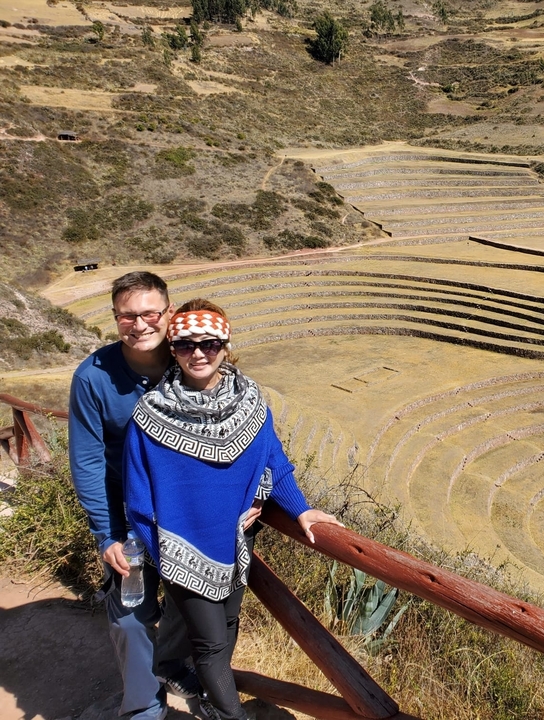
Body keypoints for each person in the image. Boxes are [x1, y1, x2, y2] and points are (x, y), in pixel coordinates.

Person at [123, 298, 343, 720]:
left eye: (208, 343)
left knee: (225, 632)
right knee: (208, 647)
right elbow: (138, 498)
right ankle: (230, 715)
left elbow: (273, 460)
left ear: (225, 345)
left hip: (236, 541)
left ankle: (204, 696)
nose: (198, 353)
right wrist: (166, 554)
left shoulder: (250, 401)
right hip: (182, 549)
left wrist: (300, 509)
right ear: (173, 348)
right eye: (186, 344)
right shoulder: (149, 414)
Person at [69, 271, 201, 719]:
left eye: (150, 313)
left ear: (168, 313)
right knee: (129, 617)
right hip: (127, 519)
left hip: (188, 514)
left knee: (194, 603)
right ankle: (143, 709)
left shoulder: (191, 359)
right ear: (114, 318)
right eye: (128, 315)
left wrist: (261, 492)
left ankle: (171, 663)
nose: (140, 324)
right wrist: (107, 535)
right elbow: (87, 462)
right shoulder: (93, 377)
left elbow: (242, 428)